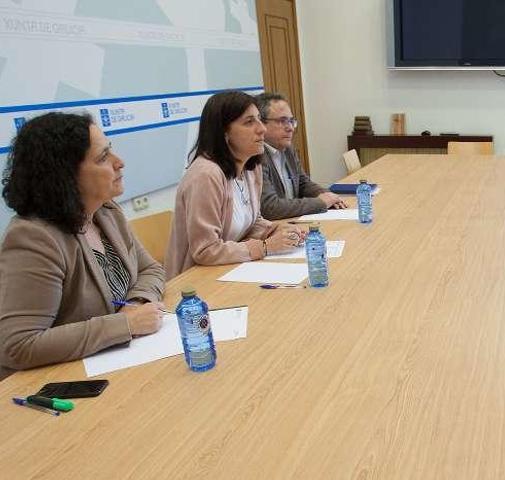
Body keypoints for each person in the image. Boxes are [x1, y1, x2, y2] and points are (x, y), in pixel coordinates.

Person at [0, 112, 165, 376]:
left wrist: (137, 304)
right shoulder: (33, 239)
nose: (119, 162)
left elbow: (151, 269)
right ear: (64, 177)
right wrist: (124, 324)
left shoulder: (106, 211)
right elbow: (18, 345)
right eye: (102, 157)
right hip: (62, 382)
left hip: (122, 362)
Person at [165, 91, 305, 279]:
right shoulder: (205, 175)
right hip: (196, 282)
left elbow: (252, 221)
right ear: (224, 133)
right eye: (249, 122)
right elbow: (205, 250)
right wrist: (265, 247)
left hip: (230, 270)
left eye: (259, 119)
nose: (261, 129)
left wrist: (275, 230)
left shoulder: (250, 166)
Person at [255, 92, 345, 220]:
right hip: (276, 228)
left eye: (291, 121)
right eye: (282, 121)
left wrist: (326, 194)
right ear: (261, 124)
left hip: (292, 222)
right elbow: (270, 207)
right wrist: (321, 202)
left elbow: (303, 183)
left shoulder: (287, 149)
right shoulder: (257, 156)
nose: (290, 128)